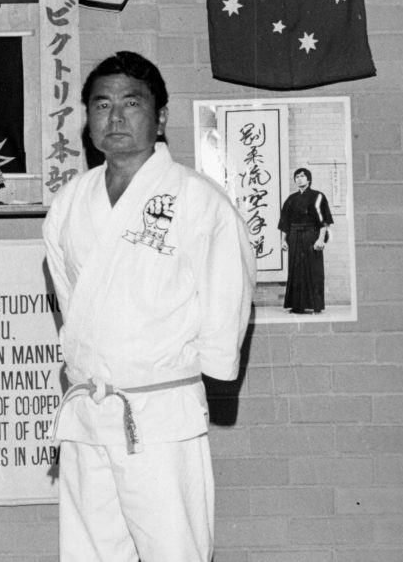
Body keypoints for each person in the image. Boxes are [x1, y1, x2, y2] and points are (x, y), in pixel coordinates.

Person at [42, 51, 255, 562]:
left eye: (131, 103)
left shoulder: (197, 199)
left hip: (160, 416)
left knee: (174, 551)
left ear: (160, 116)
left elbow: (226, 294)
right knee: (88, 552)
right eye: (101, 104)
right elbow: (74, 301)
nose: (114, 118)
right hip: (88, 413)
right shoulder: (70, 201)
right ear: (87, 118)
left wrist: (213, 368)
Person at [278, 167, 333, 314]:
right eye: (297, 177)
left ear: (308, 179)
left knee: (314, 271)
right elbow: (285, 222)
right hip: (294, 236)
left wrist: (321, 239)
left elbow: (324, 221)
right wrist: (283, 240)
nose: (299, 179)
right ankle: (297, 306)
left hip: (312, 236)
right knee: (295, 270)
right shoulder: (291, 199)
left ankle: (316, 305)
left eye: (302, 176)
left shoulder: (318, 196)